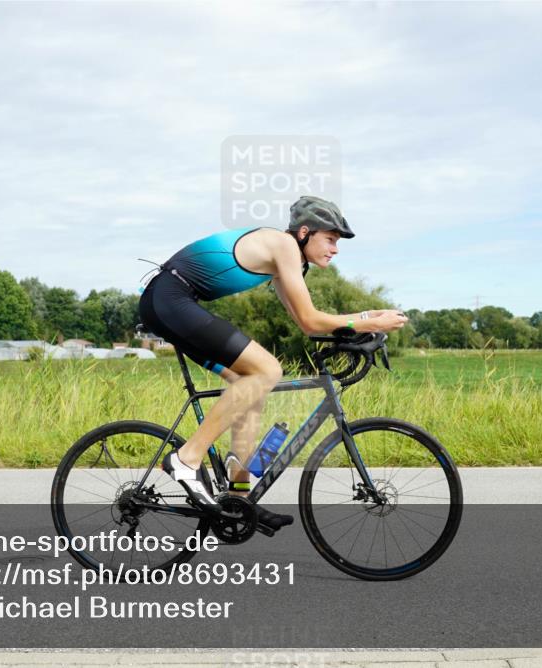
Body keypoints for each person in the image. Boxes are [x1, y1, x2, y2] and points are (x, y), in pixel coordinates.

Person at [138, 196, 409, 531]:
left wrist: (356, 331)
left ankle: (239, 497)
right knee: (268, 370)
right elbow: (313, 318)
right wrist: (371, 320)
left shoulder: (288, 260)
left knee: (249, 384)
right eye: (330, 239)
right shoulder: (282, 244)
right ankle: (185, 459)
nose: (335, 249)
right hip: (170, 300)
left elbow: (308, 325)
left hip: (169, 302)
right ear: (305, 232)